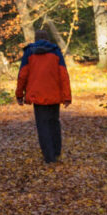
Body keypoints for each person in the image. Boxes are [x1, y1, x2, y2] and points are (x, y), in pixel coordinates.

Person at [16, 30, 72, 164]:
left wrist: (19, 94)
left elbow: (22, 75)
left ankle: (49, 156)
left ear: (35, 39)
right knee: (54, 123)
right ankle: (56, 151)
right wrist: (67, 96)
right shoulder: (56, 52)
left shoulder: (29, 52)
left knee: (43, 126)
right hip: (54, 95)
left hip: (37, 95)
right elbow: (63, 75)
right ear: (48, 38)